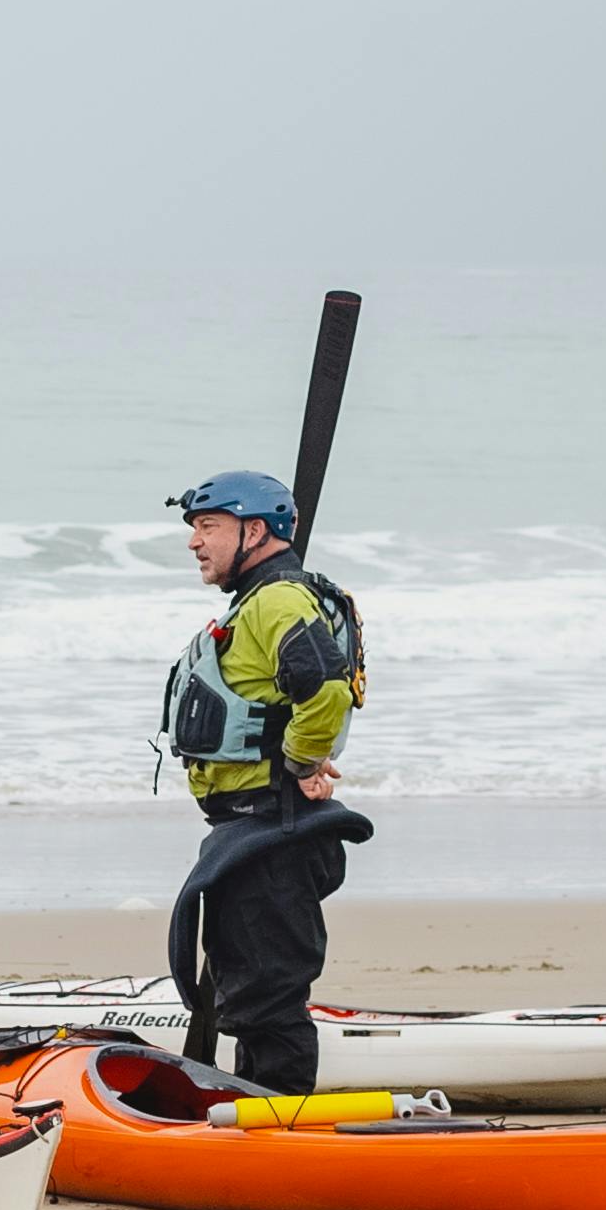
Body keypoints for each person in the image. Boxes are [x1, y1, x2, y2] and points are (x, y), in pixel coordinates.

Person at [158, 467, 369, 1091]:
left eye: (208, 527)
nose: (195, 542)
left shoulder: (277, 599)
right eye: (195, 527)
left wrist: (303, 762)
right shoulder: (259, 601)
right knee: (251, 998)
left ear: (255, 530)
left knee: (268, 1005)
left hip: (273, 832)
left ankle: (281, 1135)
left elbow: (325, 686)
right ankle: (260, 1116)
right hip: (252, 832)